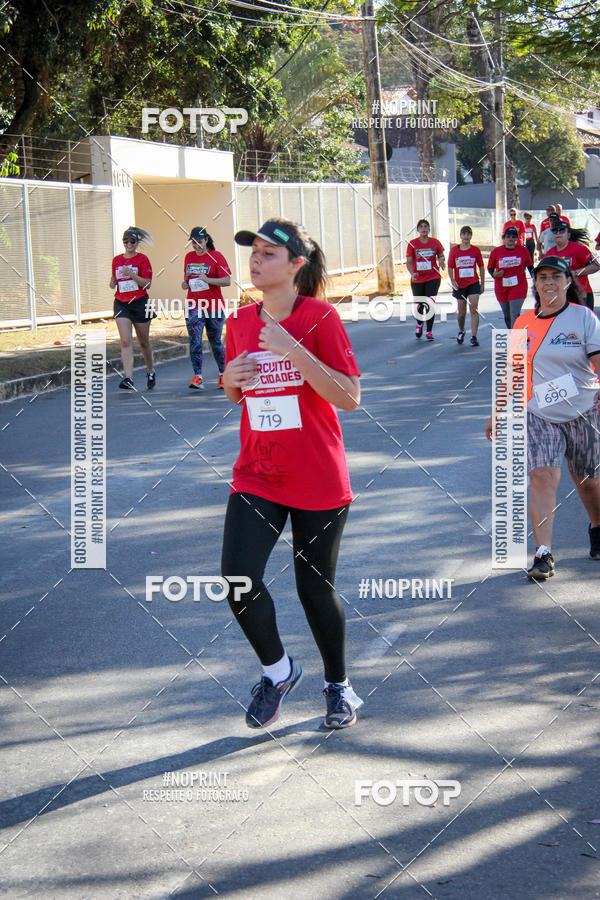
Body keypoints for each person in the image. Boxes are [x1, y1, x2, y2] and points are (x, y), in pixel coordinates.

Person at [221, 217, 362, 730]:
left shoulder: (321, 317)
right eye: (252, 252)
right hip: (257, 473)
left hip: (318, 478)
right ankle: (277, 672)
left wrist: (295, 352)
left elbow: (349, 397)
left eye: (268, 254)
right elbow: (242, 394)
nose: (255, 260)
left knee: (313, 587)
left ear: (296, 265)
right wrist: (228, 381)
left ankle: (339, 687)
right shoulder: (238, 322)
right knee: (238, 579)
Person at [487, 256, 600, 578]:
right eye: (542, 277)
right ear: (534, 284)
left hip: (583, 410)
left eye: (555, 277)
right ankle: (543, 553)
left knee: (589, 483)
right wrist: (497, 411)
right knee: (542, 477)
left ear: (567, 282)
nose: (548, 282)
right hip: (540, 414)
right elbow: (513, 371)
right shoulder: (523, 323)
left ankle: (597, 527)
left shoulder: (583, 318)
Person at [182, 226, 231, 389]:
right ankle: (198, 376)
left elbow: (226, 280)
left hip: (214, 305)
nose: (196, 246)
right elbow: (187, 279)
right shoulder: (189, 257)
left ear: (206, 240)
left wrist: (208, 280)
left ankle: (223, 374)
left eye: (199, 242)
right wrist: (185, 283)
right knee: (194, 340)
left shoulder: (216, 256)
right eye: (193, 243)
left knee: (215, 341)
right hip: (193, 304)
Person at [110, 226, 155, 390]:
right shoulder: (116, 260)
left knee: (144, 342)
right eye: (126, 241)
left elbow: (148, 284)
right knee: (125, 340)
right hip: (121, 302)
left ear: (137, 243)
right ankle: (128, 378)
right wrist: (112, 282)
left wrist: (132, 274)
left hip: (140, 302)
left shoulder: (143, 259)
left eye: (132, 241)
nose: (129, 244)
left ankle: (150, 371)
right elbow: (114, 280)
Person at [544, 221, 600, 310]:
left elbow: (596, 266)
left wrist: (575, 273)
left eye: (562, 231)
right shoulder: (549, 254)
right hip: (560, 298)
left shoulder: (578, 249)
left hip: (581, 295)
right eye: (555, 231)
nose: (558, 233)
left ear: (568, 234)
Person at [406, 219, 445, 341]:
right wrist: (413, 273)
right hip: (418, 278)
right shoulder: (412, 243)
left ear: (429, 229)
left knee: (430, 303)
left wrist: (442, 261)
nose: (423, 229)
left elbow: (441, 255)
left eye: (426, 227)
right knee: (419, 304)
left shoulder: (435, 242)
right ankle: (419, 323)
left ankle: (429, 331)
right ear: (418, 229)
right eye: (421, 227)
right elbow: (409, 262)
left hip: (433, 277)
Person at [487, 226, 532, 328]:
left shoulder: (523, 251)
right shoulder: (496, 252)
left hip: (518, 286)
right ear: (504, 238)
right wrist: (495, 275)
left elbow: (530, 267)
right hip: (501, 288)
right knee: (507, 315)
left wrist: (537, 280)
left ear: (517, 238)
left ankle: (515, 340)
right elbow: (490, 268)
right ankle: (513, 333)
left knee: (514, 314)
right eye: (508, 236)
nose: (511, 239)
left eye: (513, 236)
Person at [447, 226, 485, 346]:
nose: (466, 237)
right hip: (460, 285)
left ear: (471, 236)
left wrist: (482, 284)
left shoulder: (475, 250)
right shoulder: (454, 251)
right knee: (461, 313)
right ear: (460, 236)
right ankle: (462, 330)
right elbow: (450, 266)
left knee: (473, 309)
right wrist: (452, 280)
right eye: (464, 234)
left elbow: (481, 267)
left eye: (468, 234)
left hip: (473, 283)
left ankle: (474, 336)